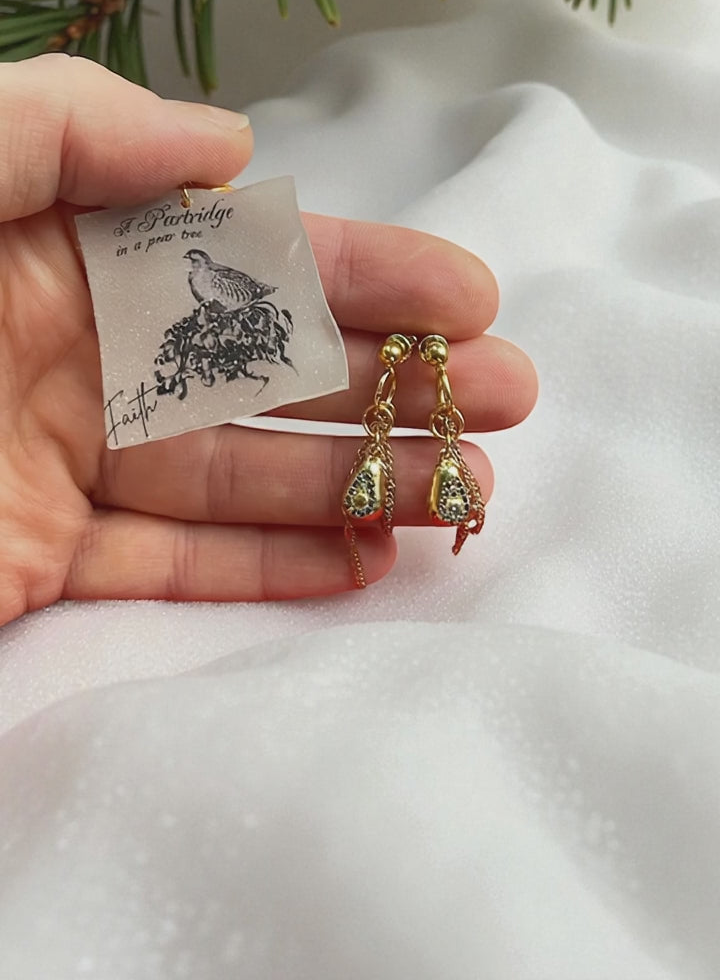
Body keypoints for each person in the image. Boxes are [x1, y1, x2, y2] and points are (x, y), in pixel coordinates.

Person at [0, 54, 538, 626]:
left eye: (195, 261)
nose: (192, 266)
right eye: (192, 262)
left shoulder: (220, 280)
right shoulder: (181, 280)